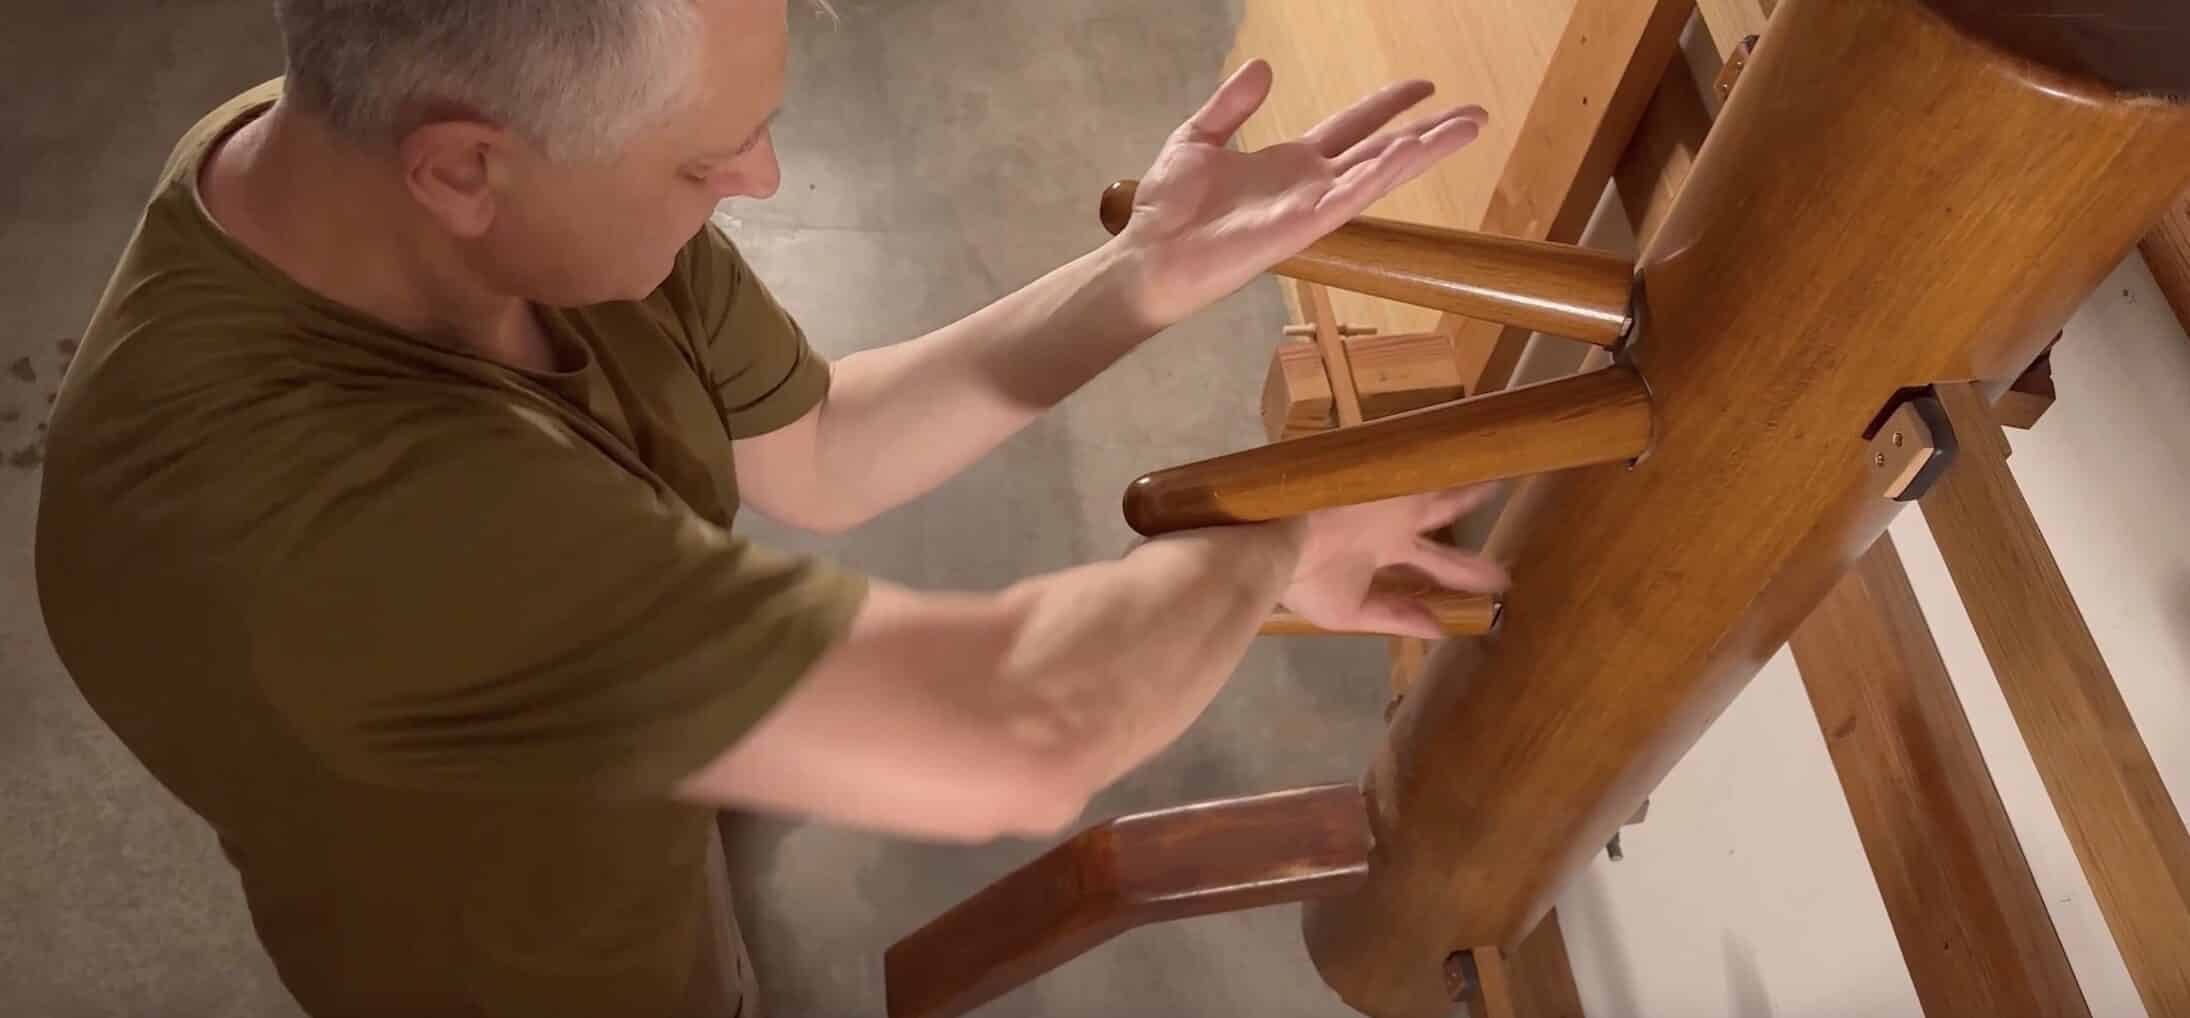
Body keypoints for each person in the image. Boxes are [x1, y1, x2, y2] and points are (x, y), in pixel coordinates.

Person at [34, 0, 1501, 1014]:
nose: (764, 176)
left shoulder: (380, 162)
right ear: (466, 164)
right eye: (704, 160)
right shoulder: (337, 536)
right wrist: (1278, 547)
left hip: (628, 828)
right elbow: (1018, 730)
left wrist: (1139, 279)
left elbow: (823, 449)